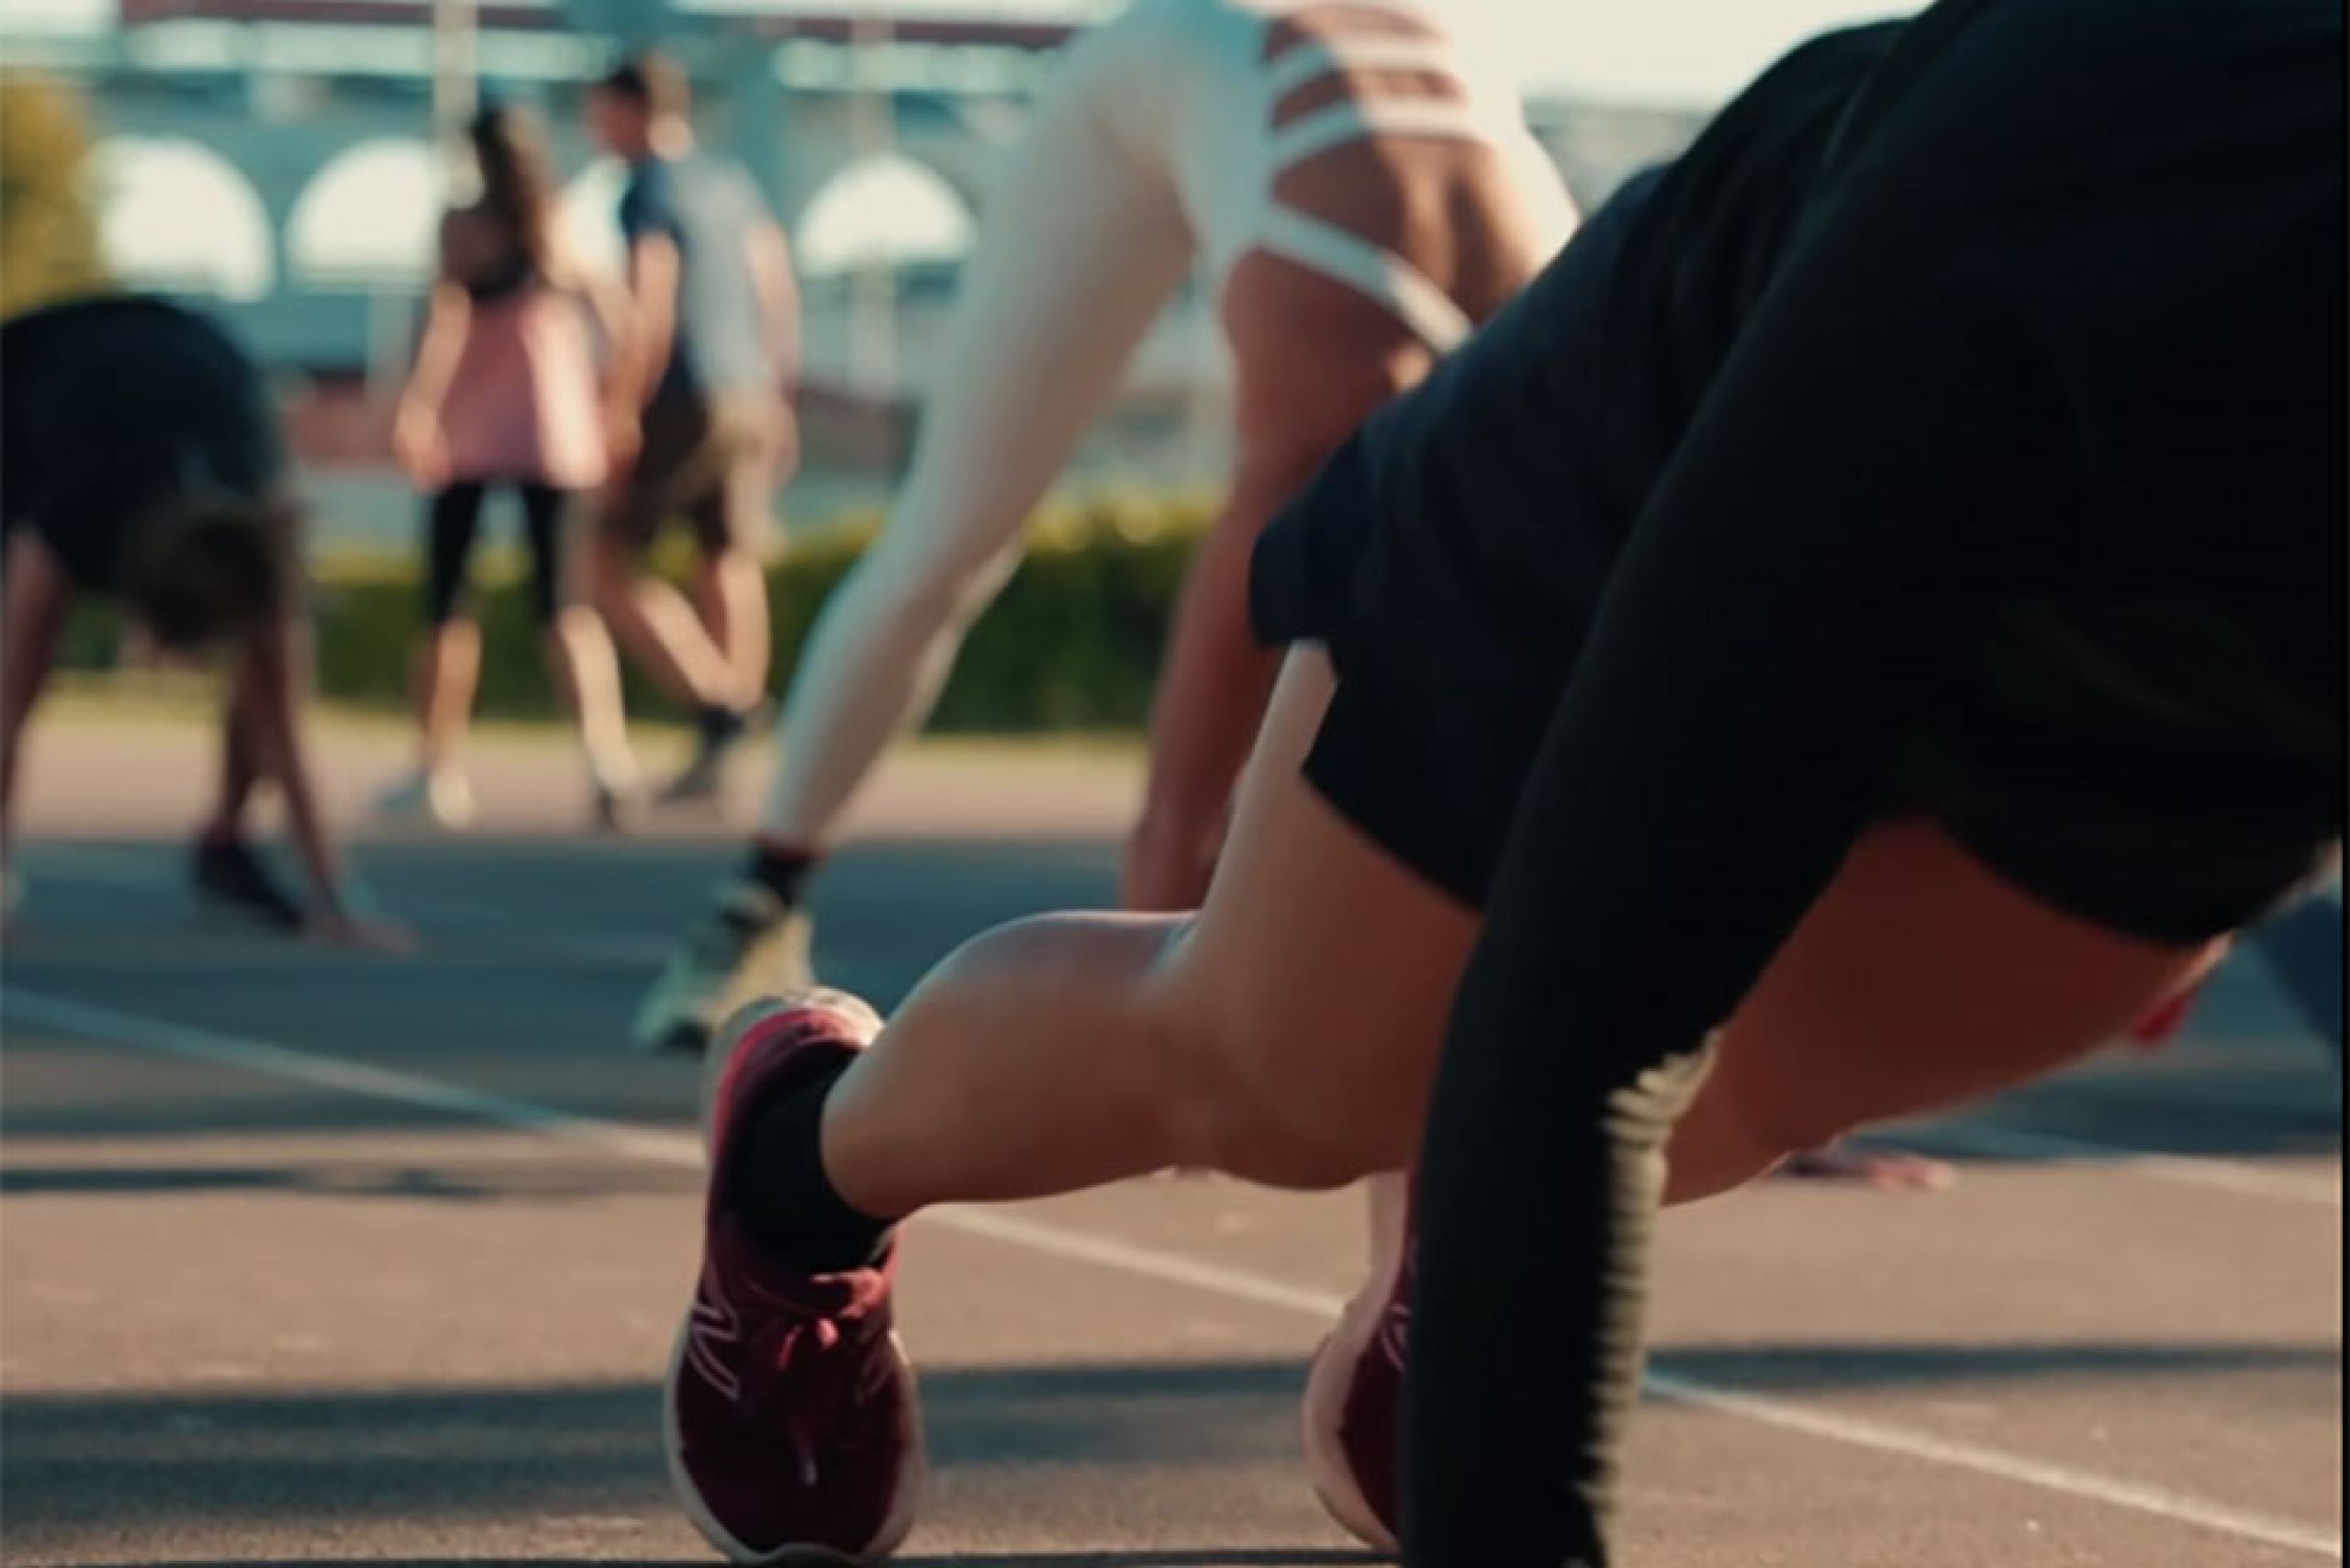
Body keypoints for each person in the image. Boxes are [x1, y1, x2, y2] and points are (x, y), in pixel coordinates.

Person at [651, 0, 2341, 1563]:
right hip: (1729, 428)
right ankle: (802, 1169)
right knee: (1295, 1066)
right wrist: (1185, 839)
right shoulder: (2085, 210)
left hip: (2177, 624)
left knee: (1738, 1098)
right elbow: (1582, 1007)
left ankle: (1463, 1287)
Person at [632, 0, 1577, 1052]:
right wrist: (1162, 983)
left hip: (1384, 131)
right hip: (1170, 81)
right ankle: (754, 904)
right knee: (952, 534)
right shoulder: (1337, 362)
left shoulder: (1571, 390)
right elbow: (1179, 802)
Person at [1, 295, 412, 948]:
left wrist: (339, 898)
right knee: (18, 663)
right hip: (31, 371)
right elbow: (10, 698)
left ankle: (225, 843)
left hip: (195, 356)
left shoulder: (253, 520)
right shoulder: (74, 513)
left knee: (268, 673)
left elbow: (285, 722)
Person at [384, 102, 643, 832]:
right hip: (554, 434)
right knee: (565, 607)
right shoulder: (559, 224)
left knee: (446, 604)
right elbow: (623, 319)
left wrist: (416, 406)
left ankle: (436, 768)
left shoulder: (464, 224)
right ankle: (605, 758)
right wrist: (613, 403)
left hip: (472, 434)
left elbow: (441, 320)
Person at [582, 52, 798, 805]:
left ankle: (722, 707)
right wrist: (777, 392)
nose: (593, 130)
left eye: (599, 113)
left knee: (608, 568)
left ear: (631, 110)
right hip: (744, 389)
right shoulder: (731, 183)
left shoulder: (647, 188)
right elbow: (775, 283)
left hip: (680, 394)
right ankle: (730, 756)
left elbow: (651, 300)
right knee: (727, 561)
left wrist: (617, 407)